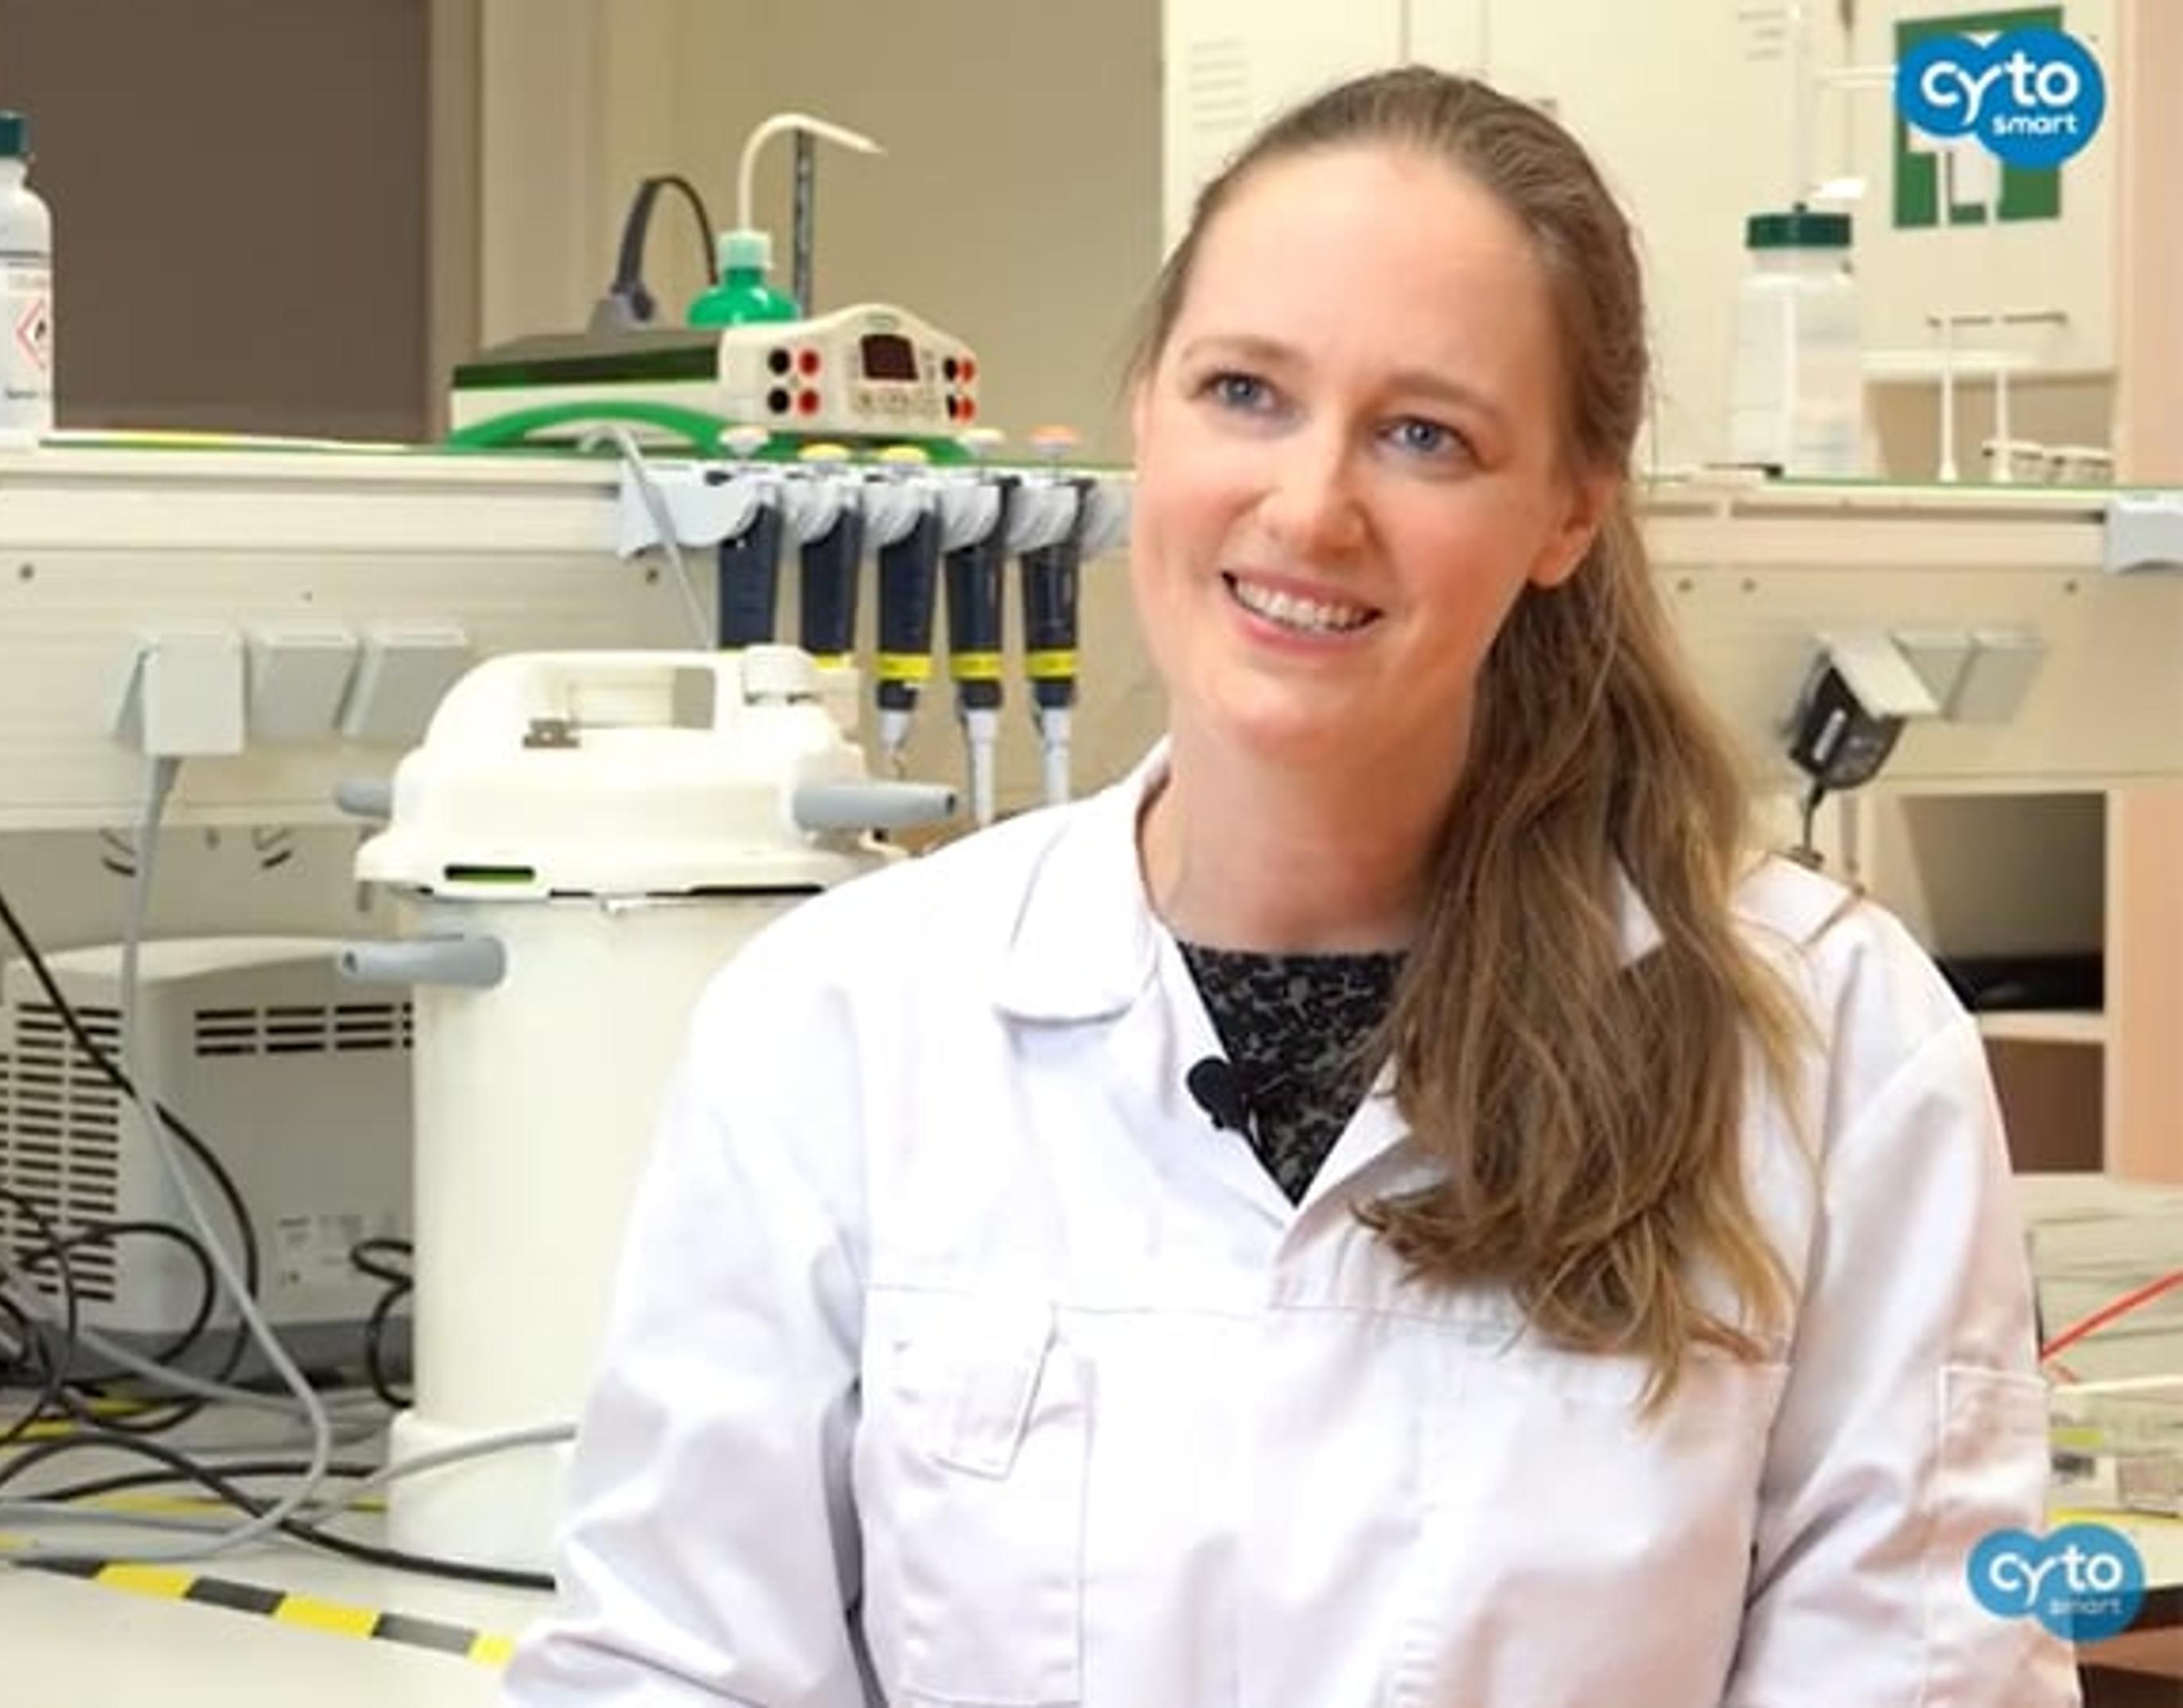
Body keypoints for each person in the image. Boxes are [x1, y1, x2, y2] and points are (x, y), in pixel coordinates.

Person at [500, 65, 2074, 1707]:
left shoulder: (1829, 1039)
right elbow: (675, 1668)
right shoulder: (842, 1020)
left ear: (1568, 512)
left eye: (1424, 435)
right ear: (1146, 415)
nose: (1312, 507)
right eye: (1245, 391)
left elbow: (1925, 1671)